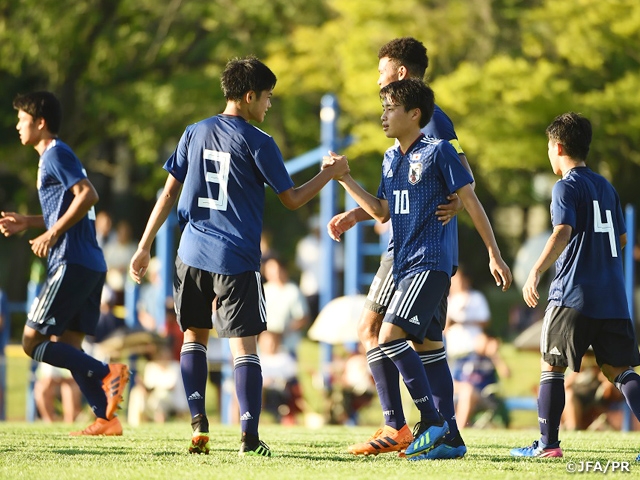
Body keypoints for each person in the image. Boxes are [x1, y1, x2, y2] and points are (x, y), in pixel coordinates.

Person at [129, 56, 349, 457]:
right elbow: (293, 199)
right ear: (249, 97)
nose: (268, 106)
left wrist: (144, 246)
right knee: (244, 349)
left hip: (191, 253)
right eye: (267, 98)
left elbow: (167, 194)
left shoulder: (193, 132)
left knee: (193, 338)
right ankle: (248, 436)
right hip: (236, 258)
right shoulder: (259, 142)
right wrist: (330, 174)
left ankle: (199, 423)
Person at [325, 78, 512, 460]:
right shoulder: (390, 158)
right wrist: (344, 179)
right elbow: (381, 211)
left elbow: (470, 201)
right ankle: (450, 440)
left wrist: (494, 252)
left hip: (429, 263)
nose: (383, 115)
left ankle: (432, 421)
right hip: (403, 264)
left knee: (390, 336)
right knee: (427, 346)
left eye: (390, 108)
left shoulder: (438, 151)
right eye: (383, 108)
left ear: (414, 114)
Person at [510, 112, 640, 459]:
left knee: (552, 366)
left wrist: (536, 270)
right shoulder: (606, 186)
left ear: (558, 146)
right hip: (612, 296)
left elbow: (562, 231)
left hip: (573, 294)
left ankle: (548, 445)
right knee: (618, 370)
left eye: (548, 147)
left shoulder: (565, 186)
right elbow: (622, 239)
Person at [0, 91, 129, 436]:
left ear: (40, 123)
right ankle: (106, 417)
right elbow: (71, 206)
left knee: (31, 341)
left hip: (70, 261)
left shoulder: (55, 153)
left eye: (22, 119)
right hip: (89, 262)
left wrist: (53, 233)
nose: (17, 126)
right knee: (70, 347)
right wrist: (29, 222)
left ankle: (106, 373)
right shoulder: (55, 157)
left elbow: (89, 194)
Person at [262, 256, 310, 357]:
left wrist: (284, 331)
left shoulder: (293, 291)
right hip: (265, 347)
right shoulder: (263, 291)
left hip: (287, 346)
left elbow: (303, 318)